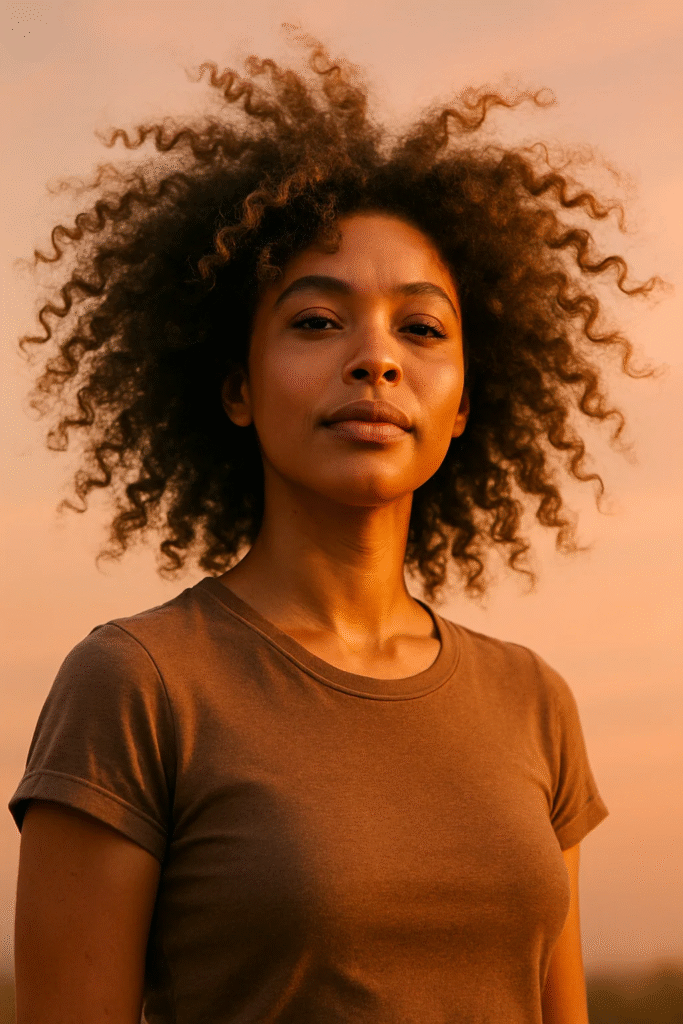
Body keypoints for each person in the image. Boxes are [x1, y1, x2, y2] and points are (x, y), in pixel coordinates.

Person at [9, 28, 658, 1024]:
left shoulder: (531, 699)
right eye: (316, 320)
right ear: (234, 384)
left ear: (464, 403)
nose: (375, 359)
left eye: (421, 327)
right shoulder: (138, 684)